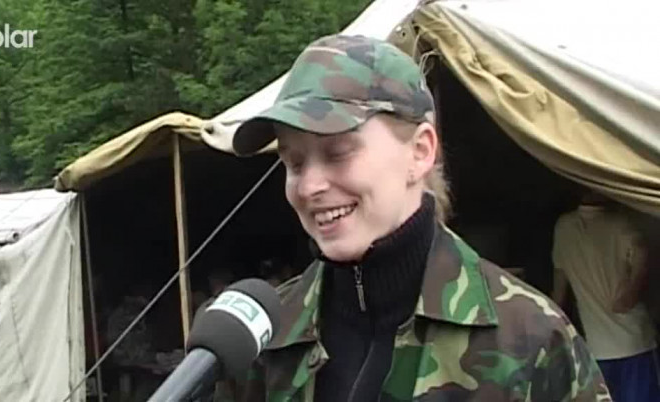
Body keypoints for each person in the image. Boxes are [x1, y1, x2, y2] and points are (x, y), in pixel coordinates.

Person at [215, 34, 609, 401]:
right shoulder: (264, 340)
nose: (308, 186)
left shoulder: (529, 337)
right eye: (294, 162)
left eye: (337, 153)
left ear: (420, 152)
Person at [552, 192, 659, 401]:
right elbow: (642, 253)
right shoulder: (623, 224)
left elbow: (558, 297)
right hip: (634, 344)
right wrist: (631, 290)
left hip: (597, 350)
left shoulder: (563, 228)